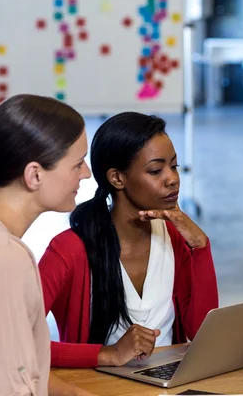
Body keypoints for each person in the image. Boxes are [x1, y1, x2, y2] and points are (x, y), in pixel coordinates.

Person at [38, 112, 218, 368]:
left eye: (174, 166)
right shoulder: (69, 250)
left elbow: (203, 333)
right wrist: (106, 355)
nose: (172, 178)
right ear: (117, 178)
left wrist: (200, 247)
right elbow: (16, 344)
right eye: (156, 170)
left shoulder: (176, 239)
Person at [0, 95, 93, 395]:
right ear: (34, 174)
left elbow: (22, 368)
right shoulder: (2, 256)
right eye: (77, 164)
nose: (87, 173)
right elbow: (7, 388)